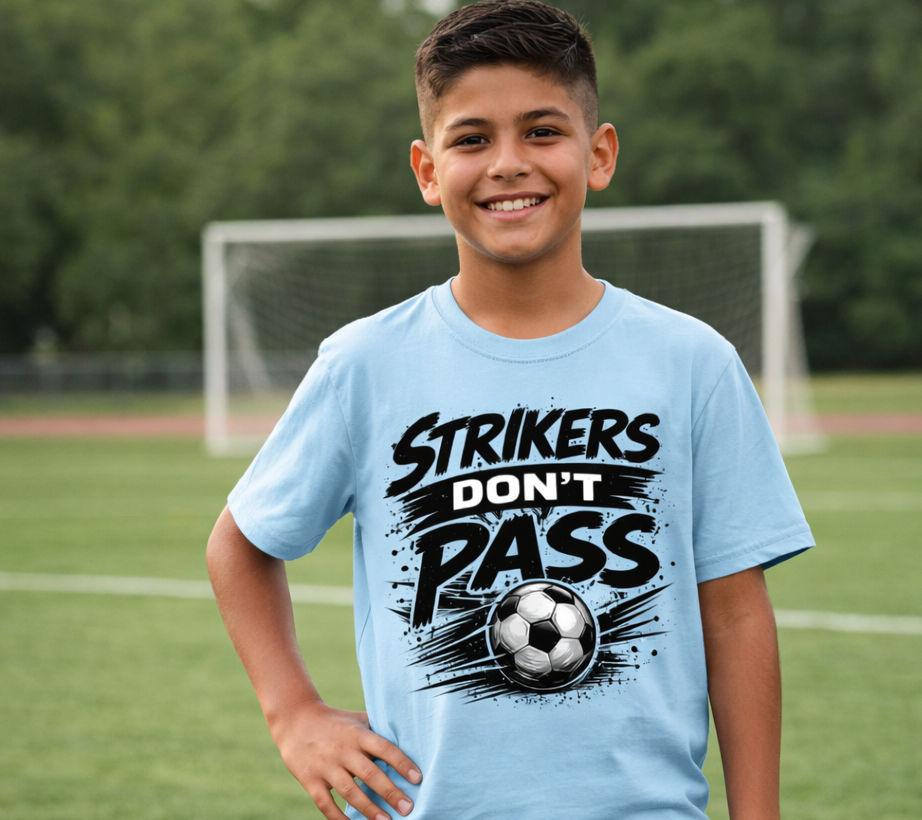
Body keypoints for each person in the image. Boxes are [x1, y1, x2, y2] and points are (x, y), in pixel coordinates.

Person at [206, 2, 814, 819]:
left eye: (541, 131)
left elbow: (736, 617)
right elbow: (239, 544)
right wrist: (294, 715)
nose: (507, 164)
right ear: (427, 171)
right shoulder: (367, 366)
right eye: (470, 139)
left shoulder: (691, 362)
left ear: (598, 155)